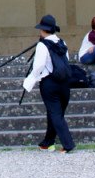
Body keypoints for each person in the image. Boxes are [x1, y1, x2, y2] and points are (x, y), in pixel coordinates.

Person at [22, 14, 75, 154]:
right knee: (55, 113)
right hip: (64, 83)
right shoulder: (62, 43)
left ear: (43, 30)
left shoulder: (42, 45)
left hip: (49, 83)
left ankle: (68, 144)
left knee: (55, 114)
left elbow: (38, 66)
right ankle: (47, 142)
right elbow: (66, 60)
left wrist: (30, 80)